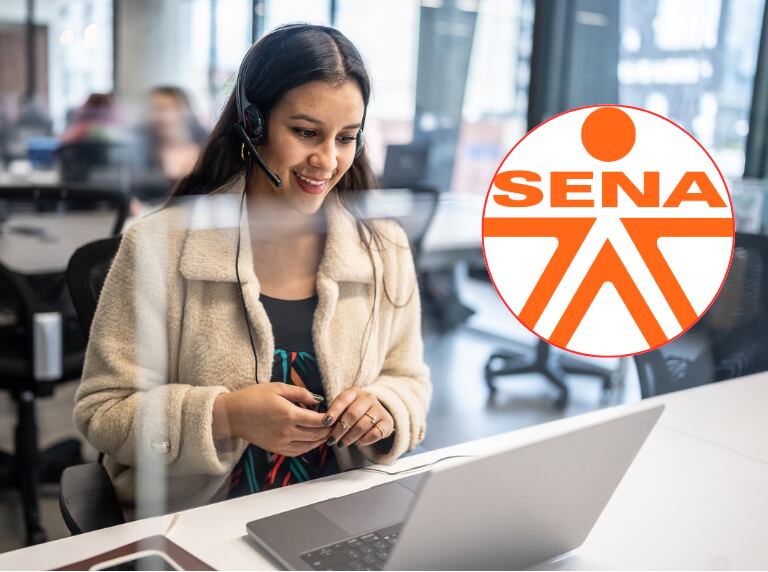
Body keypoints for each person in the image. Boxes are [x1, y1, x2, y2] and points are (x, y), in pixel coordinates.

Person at [74, 24, 432, 513]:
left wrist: (385, 408)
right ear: (253, 123)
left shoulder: (383, 246)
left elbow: (409, 380)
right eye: (306, 132)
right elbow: (104, 410)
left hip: (342, 509)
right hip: (200, 520)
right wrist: (226, 416)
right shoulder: (160, 243)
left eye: (347, 138)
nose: (327, 160)